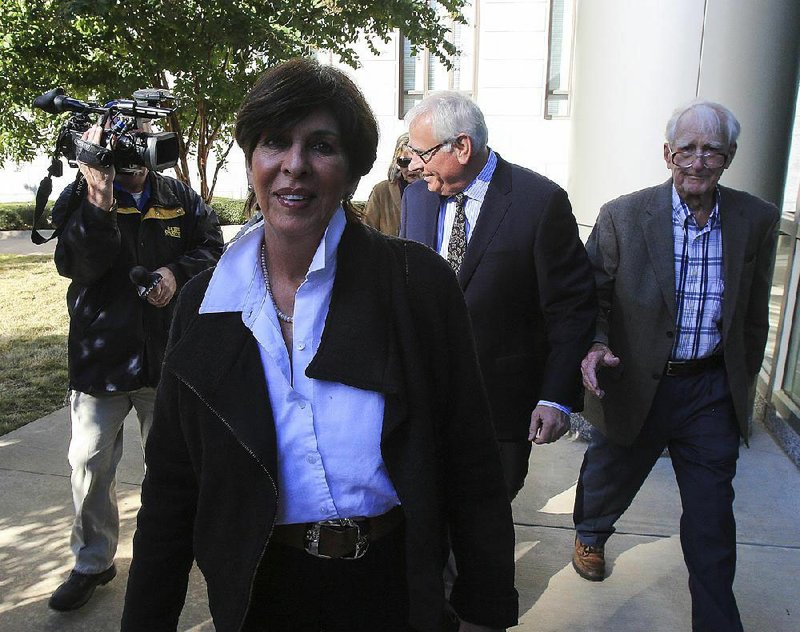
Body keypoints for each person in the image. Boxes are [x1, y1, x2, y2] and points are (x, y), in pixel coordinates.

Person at [121, 58, 517, 632]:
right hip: (261, 595)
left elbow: (472, 465)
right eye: (274, 143)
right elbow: (171, 493)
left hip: (393, 589)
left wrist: (485, 611)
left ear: (353, 170)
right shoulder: (204, 306)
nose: (294, 166)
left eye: (322, 145)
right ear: (252, 159)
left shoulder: (417, 285)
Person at [572, 100, 779, 632]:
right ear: (667, 154)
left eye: (712, 149)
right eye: (686, 148)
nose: (697, 161)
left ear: (729, 157)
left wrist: (741, 378)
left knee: (712, 518)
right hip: (636, 377)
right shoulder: (623, 214)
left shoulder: (755, 218)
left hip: (709, 390)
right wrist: (594, 344)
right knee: (609, 471)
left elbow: (754, 312)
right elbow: (590, 294)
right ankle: (590, 532)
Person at [46, 122, 223, 612]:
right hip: (101, 359)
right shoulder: (82, 196)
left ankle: (174, 556)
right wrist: (98, 198)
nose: (135, 154)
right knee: (88, 465)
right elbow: (78, 266)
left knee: (171, 468)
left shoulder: (179, 196)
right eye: (123, 143)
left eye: (144, 140)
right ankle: (92, 562)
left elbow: (212, 249)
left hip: (166, 355)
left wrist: (173, 274)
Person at [400, 92, 597, 500]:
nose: (413, 165)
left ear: (462, 146)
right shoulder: (416, 198)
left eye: (421, 153)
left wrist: (556, 397)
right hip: (422, 401)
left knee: (483, 524)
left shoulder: (539, 203)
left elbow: (570, 308)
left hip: (500, 409)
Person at [362, 132, 421, 235]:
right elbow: (366, 233)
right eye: (404, 162)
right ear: (396, 163)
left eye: (416, 161)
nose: (411, 168)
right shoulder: (381, 192)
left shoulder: (437, 190)